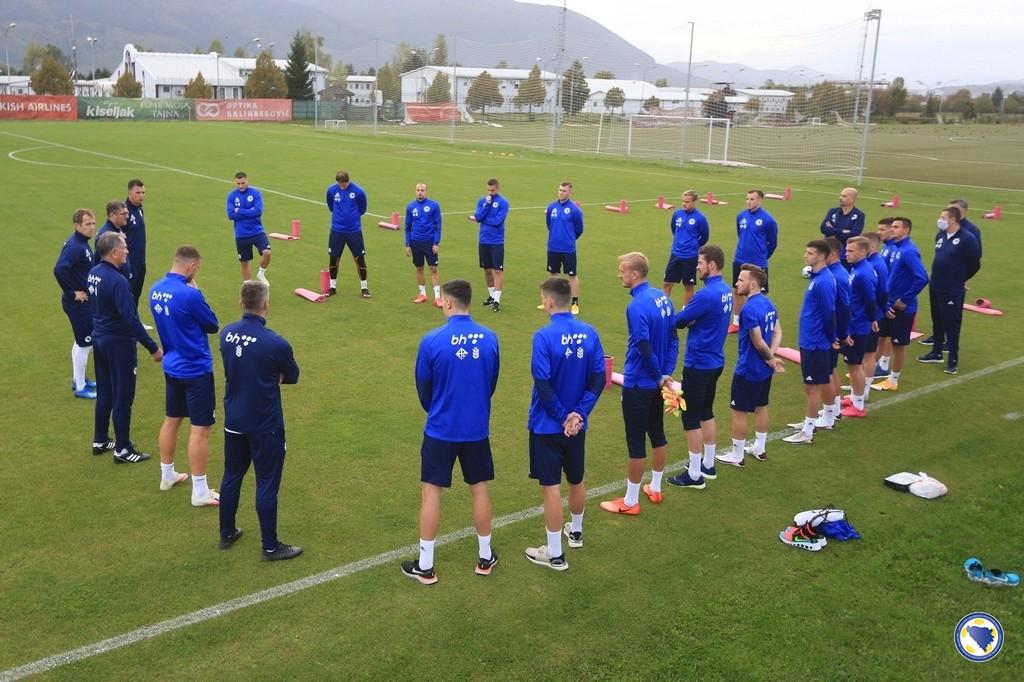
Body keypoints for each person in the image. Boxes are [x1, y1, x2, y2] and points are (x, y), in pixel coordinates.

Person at [403, 280, 500, 585]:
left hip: (441, 428)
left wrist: (437, 408)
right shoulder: (490, 338)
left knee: (431, 492)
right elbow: (491, 382)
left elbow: (424, 387)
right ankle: (485, 557)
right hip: (475, 428)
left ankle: (426, 565)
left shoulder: (431, 340)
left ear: (446, 303)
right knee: (479, 489)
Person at [524, 277, 606, 571]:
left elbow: (543, 385)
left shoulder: (543, 337)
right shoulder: (590, 332)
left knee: (550, 488)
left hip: (548, 426)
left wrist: (563, 417)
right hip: (576, 427)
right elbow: (599, 378)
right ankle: (577, 532)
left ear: (548, 302)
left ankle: (555, 554)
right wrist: (579, 415)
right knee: (576, 479)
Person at [218, 281, 302, 561]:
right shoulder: (275, 342)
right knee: (266, 482)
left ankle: (227, 532)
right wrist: (272, 376)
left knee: (232, 475)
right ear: (266, 304)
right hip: (265, 424)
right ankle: (270, 546)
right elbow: (292, 375)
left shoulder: (226, 334)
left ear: (241, 302)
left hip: (234, 420)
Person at [600, 252, 678, 515]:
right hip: (657, 382)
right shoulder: (663, 299)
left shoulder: (636, 306)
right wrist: (666, 375)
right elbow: (673, 339)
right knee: (657, 434)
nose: (619, 274)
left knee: (636, 442)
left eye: (622, 270)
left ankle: (630, 502)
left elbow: (644, 346)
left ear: (635, 274)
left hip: (639, 384)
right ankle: (655, 488)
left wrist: (657, 375)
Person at [150, 246, 221, 506]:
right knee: (201, 428)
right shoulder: (189, 294)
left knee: (172, 419)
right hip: (196, 368)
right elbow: (212, 324)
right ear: (191, 267)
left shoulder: (154, 289)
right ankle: (200, 490)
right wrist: (197, 292)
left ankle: (166, 475)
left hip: (172, 365)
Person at [88, 232, 163, 462]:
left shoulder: (93, 273)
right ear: (113, 252)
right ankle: (123, 449)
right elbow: (131, 320)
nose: (127, 252)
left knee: (105, 391)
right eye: (124, 248)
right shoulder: (118, 281)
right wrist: (152, 347)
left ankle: (100, 439)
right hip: (118, 344)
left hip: (99, 338)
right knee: (123, 396)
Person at [666, 245, 733, 489]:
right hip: (716, 360)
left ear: (711, 265)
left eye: (700, 263)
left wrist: (685, 317)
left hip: (699, 363)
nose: (697, 266)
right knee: (706, 412)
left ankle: (694, 475)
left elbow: (679, 320)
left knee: (691, 417)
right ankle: (708, 463)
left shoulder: (705, 295)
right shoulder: (725, 290)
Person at [715, 264, 783, 467]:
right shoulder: (768, 303)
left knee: (739, 411)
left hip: (749, 368)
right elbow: (778, 332)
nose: (737, 283)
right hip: (764, 370)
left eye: (741, 280)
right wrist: (771, 358)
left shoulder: (748, 309)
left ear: (752, 283)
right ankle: (759, 449)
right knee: (761, 406)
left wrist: (769, 357)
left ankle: (737, 455)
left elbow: (757, 340)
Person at [783, 240, 836, 445]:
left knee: (811, 387)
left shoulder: (823, 281)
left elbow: (829, 311)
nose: (805, 256)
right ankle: (822, 419)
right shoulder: (818, 278)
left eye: (810, 253)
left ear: (821, 257)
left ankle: (808, 431)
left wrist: (832, 338)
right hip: (811, 339)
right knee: (816, 383)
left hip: (815, 341)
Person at [917, 206, 980, 375]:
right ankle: (936, 352)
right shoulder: (940, 235)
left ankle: (953, 359)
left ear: (952, 219)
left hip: (952, 289)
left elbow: (975, 263)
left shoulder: (967, 239)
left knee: (951, 324)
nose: (940, 220)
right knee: (937, 320)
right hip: (936, 285)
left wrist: (961, 279)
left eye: (943, 217)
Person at [872, 217, 929, 391]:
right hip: (888, 305)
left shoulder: (909, 251)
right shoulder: (895, 248)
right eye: (892, 227)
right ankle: (871, 372)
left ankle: (893, 380)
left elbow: (922, 278)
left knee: (898, 345)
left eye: (896, 227)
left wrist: (904, 300)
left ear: (906, 230)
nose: (892, 230)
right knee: (881, 337)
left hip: (902, 308)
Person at [54, 209, 99, 400]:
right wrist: (73, 293)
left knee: (81, 341)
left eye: (93, 223)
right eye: (88, 224)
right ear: (77, 225)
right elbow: (59, 270)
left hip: (82, 304)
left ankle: (77, 379)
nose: (92, 227)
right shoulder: (75, 246)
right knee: (85, 343)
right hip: (78, 304)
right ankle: (80, 387)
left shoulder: (82, 244)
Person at [838, 237, 878, 418]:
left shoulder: (864, 273)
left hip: (857, 325)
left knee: (855, 365)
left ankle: (859, 405)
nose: (847, 254)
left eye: (851, 251)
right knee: (852, 364)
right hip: (855, 322)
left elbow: (871, 299)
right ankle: (855, 397)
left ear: (863, 252)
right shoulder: (857, 269)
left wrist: (871, 319)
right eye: (846, 250)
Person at [730, 189, 778, 334]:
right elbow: (740, 234)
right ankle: (736, 322)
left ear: (760, 200)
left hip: (758, 263)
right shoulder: (741, 216)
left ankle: (762, 320)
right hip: (739, 260)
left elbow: (773, 242)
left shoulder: (768, 220)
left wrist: (763, 256)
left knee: (761, 294)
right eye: (747, 199)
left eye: (752, 199)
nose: (749, 202)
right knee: (738, 290)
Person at [817, 237, 850, 429]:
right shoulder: (836, 273)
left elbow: (841, 307)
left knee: (826, 372)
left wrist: (838, 333)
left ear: (832, 254)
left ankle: (829, 415)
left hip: (830, 332)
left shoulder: (835, 276)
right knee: (831, 369)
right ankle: (835, 409)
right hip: (835, 330)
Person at [325, 170, 370, 298]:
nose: (342, 186)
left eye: (343, 184)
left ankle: (364, 287)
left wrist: (352, 218)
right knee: (334, 258)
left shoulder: (358, 192)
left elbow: (363, 208)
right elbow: (331, 206)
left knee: (359, 259)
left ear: (347, 181)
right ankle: (332, 287)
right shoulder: (332, 190)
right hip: (337, 230)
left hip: (354, 231)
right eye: (340, 184)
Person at [542, 182, 584, 314]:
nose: (561, 193)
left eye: (564, 191)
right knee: (553, 274)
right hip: (553, 247)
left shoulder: (574, 210)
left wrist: (569, 238)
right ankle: (551, 300)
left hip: (567, 248)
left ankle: (575, 302)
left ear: (570, 192)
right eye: (560, 190)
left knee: (572, 275)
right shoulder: (551, 207)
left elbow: (579, 229)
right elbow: (549, 224)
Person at [468, 178, 510, 312]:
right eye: (488, 190)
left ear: (497, 189)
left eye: (492, 190)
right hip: (483, 240)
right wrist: (486, 205)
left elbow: (498, 221)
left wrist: (482, 218)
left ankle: (497, 300)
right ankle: (491, 296)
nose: (490, 193)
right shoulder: (482, 201)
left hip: (497, 242)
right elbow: (478, 217)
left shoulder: (503, 203)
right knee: (486, 270)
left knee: (497, 270)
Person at [662, 190, 710, 304]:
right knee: (667, 283)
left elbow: (704, 237)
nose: (684, 204)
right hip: (675, 254)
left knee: (688, 285)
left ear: (694, 202)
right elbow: (674, 229)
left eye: (687, 202)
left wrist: (693, 246)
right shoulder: (677, 214)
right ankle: (662, 309)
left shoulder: (700, 218)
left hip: (690, 257)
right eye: (683, 201)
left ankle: (685, 313)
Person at [225, 172, 271, 286]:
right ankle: (247, 285)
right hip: (241, 234)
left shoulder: (255, 193)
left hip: (257, 231)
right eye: (238, 183)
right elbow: (231, 215)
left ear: (247, 181)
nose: (240, 186)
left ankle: (261, 273)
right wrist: (250, 211)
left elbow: (258, 211)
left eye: (243, 183)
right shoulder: (232, 196)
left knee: (267, 253)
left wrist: (239, 211)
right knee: (244, 262)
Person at [404, 182, 443, 307]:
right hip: (415, 242)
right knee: (419, 268)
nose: (420, 192)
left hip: (429, 242)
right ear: (415, 191)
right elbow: (407, 227)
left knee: (433, 268)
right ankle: (422, 294)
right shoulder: (411, 207)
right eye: (418, 190)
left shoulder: (434, 205)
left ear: (426, 191)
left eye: (422, 190)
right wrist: (407, 244)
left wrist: (436, 243)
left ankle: (437, 297)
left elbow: (438, 225)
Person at [861, 230, 889, 384]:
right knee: (865, 353)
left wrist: (881, 311)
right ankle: (859, 388)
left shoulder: (876, 264)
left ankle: (863, 392)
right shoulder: (870, 262)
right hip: (868, 315)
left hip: (872, 316)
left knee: (869, 354)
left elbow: (882, 291)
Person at [873, 218, 897, 378]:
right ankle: (878, 364)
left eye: (882, 229)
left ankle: (884, 364)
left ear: (891, 231)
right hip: (886, 296)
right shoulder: (887, 248)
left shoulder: (896, 249)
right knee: (883, 333)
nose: (878, 232)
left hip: (892, 297)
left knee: (888, 333)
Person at [819, 187, 866, 268]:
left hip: (844, 253)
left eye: (844, 196)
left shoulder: (859, 215)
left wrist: (833, 231)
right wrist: (843, 231)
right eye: (840, 196)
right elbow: (823, 228)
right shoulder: (833, 211)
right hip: (828, 250)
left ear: (852, 199)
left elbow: (854, 234)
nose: (840, 198)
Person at [124, 179, 149, 310]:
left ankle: (135, 318)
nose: (141, 195)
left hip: (140, 260)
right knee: (129, 293)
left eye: (143, 192)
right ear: (129, 193)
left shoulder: (139, 210)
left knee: (137, 292)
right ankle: (127, 323)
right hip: (129, 261)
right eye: (138, 192)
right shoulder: (124, 212)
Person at [95, 200, 132, 279]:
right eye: (123, 214)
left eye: (127, 213)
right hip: (113, 281)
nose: (127, 217)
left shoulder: (117, 229)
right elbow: (102, 260)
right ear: (112, 215)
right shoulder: (105, 235)